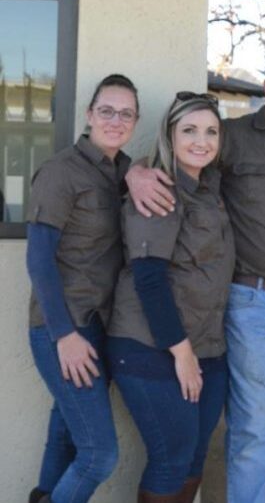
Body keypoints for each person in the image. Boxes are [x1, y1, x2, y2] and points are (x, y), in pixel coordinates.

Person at [126, 49, 265, 503]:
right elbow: (179, 158)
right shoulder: (233, 137)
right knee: (251, 423)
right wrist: (134, 172)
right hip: (250, 300)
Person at [107, 92, 234, 503]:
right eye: (190, 130)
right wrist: (182, 354)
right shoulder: (158, 188)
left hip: (207, 346)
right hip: (153, 347)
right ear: (170, 135)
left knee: (194, 459)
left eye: (211, 131)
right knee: (172, 458)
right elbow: (149, 279)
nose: (202, 140)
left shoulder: (209, 188)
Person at [26, 74, 140, 503]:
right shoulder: (61, 172)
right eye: (107, 110)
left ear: (135, 120)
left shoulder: (125, 172)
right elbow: (38, 259)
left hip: (99, 327)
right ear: (90, 114)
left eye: (126, 113)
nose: (116, 120)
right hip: (63, 329)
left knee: (66, 435)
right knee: (99, 454)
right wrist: (64, 336)